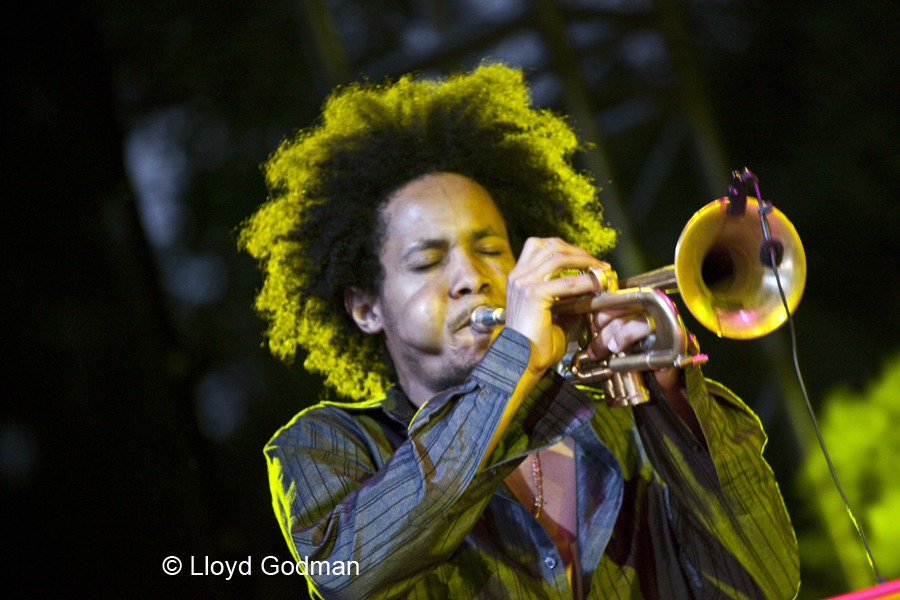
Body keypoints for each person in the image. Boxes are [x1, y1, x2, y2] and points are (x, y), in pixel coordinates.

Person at [239, 64, 799, 600]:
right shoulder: (322, 444)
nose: (472, 279)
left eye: (490, 251)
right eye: (429, 261)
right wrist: (516, 362)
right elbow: (349, 573)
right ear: (365, 308)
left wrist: (673, 400)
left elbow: (763, 585)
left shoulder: (623, 418)